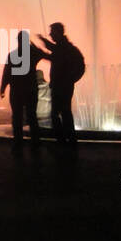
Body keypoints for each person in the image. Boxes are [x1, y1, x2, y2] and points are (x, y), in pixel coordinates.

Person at [0, 29, 50, 153]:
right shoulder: (33, 53)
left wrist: (3, 88)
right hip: (30, 89)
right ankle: (35, 143)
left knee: (17, 117)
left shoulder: (13, 55)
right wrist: (35, 46)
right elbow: (47, 56)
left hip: (16, 90)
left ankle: (18, 143)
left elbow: (6, 73)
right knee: (32, 117)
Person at [39, 22, 84, 151]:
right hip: (62, 86)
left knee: (58, 114)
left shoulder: (65, 48)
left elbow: (53, 53)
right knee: (63, 113)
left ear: (59, 33)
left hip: (62, 87)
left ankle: (63, 141)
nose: (50, 34)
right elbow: (53, 52)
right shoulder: (65, 47)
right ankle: (69, 139)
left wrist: (70, 80)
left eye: (52, 32)